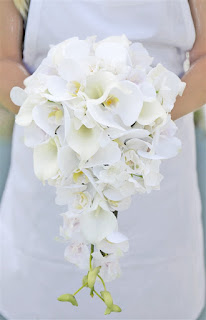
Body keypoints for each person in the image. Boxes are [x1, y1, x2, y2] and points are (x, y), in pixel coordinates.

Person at [0, 0, 206, 319]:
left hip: (158, 171)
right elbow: (3, 59)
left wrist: (139, 123)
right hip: (54, 169)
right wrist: (69, 120)